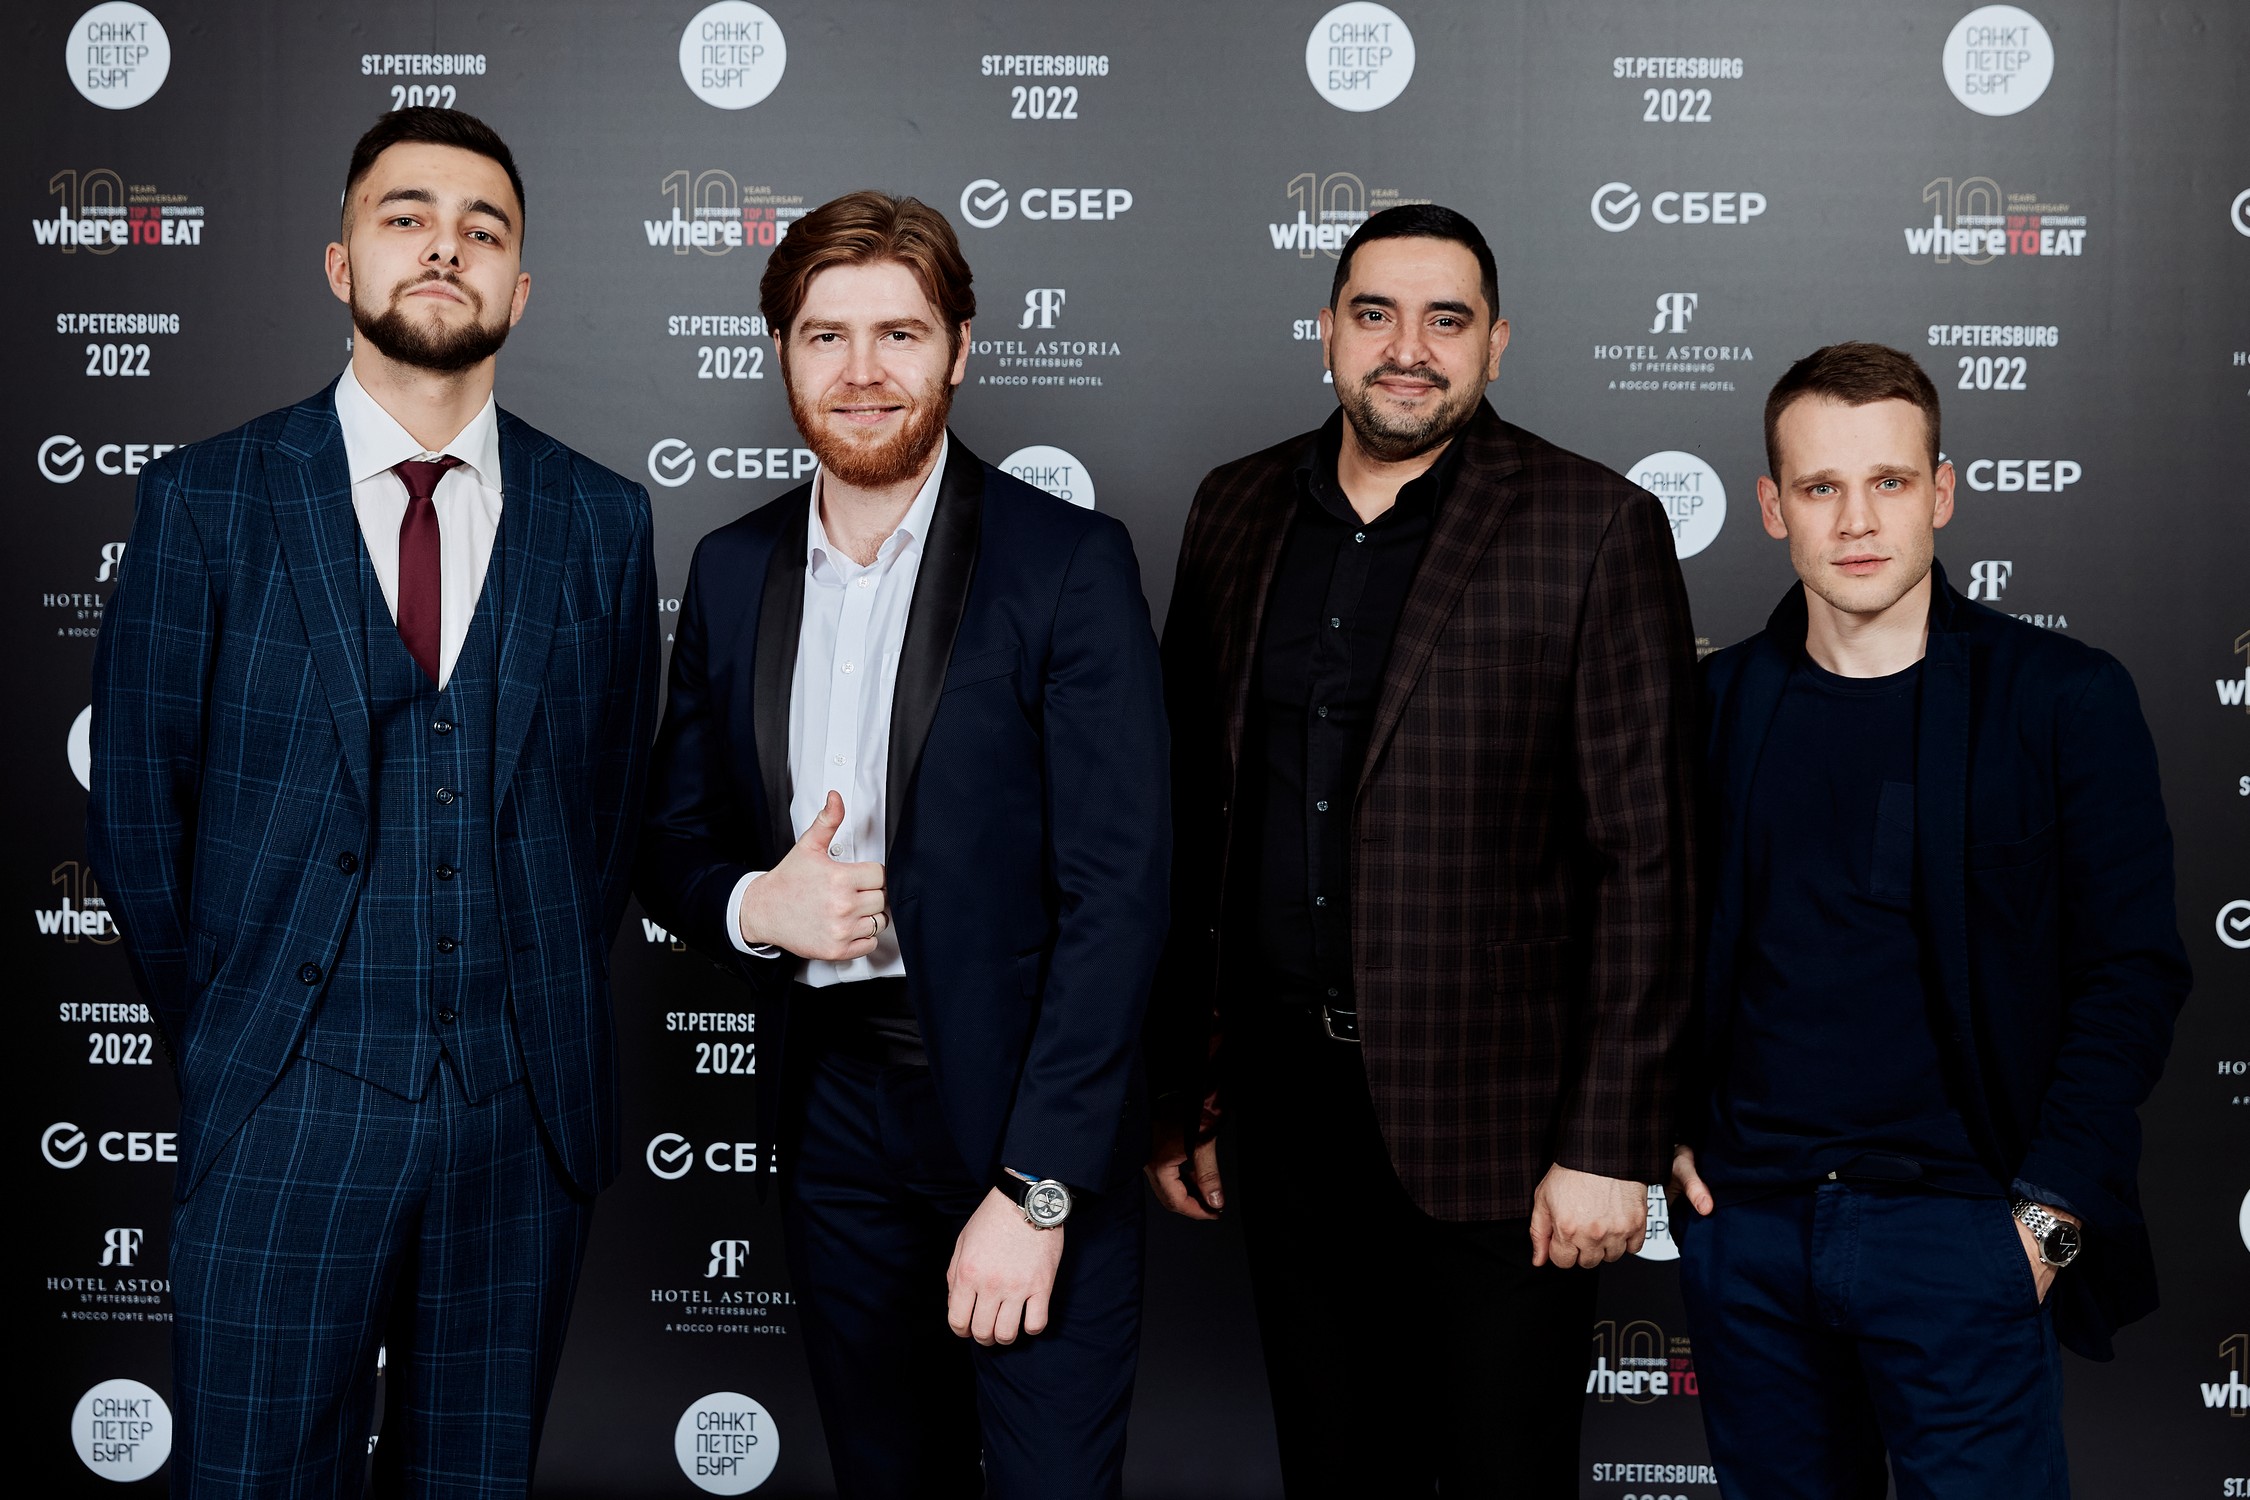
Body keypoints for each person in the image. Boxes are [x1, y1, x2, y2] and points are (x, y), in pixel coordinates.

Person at [87, 108, 659, 1495]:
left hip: (520, 1122)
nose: (445, 247)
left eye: (482, 229)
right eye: (407, 218)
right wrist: (248, 1039)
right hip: (283, 1107)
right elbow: (139, 823)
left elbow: (606, 819)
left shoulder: (602, 519)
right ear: (341, 264)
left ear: (520, 287)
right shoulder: (206, 501)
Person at [1145, 203, 1701, 1496]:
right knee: (1333, 1470)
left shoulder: (1591, 523)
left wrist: (1609, 1143)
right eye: (1375, 314)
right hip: (1284, 1111)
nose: (1408, 348)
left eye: (1446, 320)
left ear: (1494, 344)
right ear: (1326, 332)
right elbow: (1195, 817)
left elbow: (1650, 860)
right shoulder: (1234, 509)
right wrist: (1189, 1092)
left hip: (1503, 1132)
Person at [635, 190, 1168, 1499]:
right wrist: (758, 906)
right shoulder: (730, 570)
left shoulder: (1067, 563)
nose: (862, 372)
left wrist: (1036, 1187)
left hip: (1019, 1113)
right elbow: (670, 837)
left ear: (960, 348)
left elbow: (1121, 894)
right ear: (781, 350)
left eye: (900, 334)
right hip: (828, 1116)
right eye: (826, 336)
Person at [1672, 342, 2191, 1497]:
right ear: (1773, 508)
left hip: (1962, 1234)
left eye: (1890, 482)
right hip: (1751, 1237)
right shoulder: (1710, 705)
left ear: (1941, 493)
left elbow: (2132, 973)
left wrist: (2046, 1224)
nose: (1857, 520)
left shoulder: (2060, 698)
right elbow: (1641, 938)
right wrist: (1655, 1133)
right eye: (1821, 487)